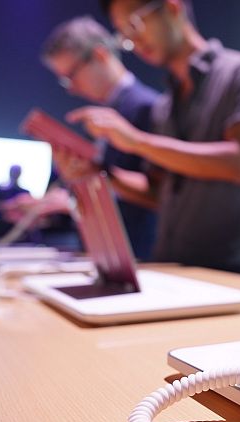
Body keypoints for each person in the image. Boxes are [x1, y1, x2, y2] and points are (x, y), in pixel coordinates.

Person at [62, 0, 240, 274]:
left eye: (135, 23)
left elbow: (238, 163)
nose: (133, 40)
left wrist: (137, 140)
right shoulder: (165, 105)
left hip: (230, 267)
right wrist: (100, 173)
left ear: (173, 7)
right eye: (124, 33)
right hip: (171, 261)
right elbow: (156, 193)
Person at [40, 15, 160, 260]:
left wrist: (98, 172)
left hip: (141, 256)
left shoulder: (147, 107)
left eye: (71, 75)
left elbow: (158, 193)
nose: (71, 87)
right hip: (107, 254)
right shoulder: (98, 118)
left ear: (100, 55)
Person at [0, 166, 30, 239]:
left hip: (19, 229)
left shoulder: (25, 193)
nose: (15, 174)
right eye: (14, 172)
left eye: (17, 172)